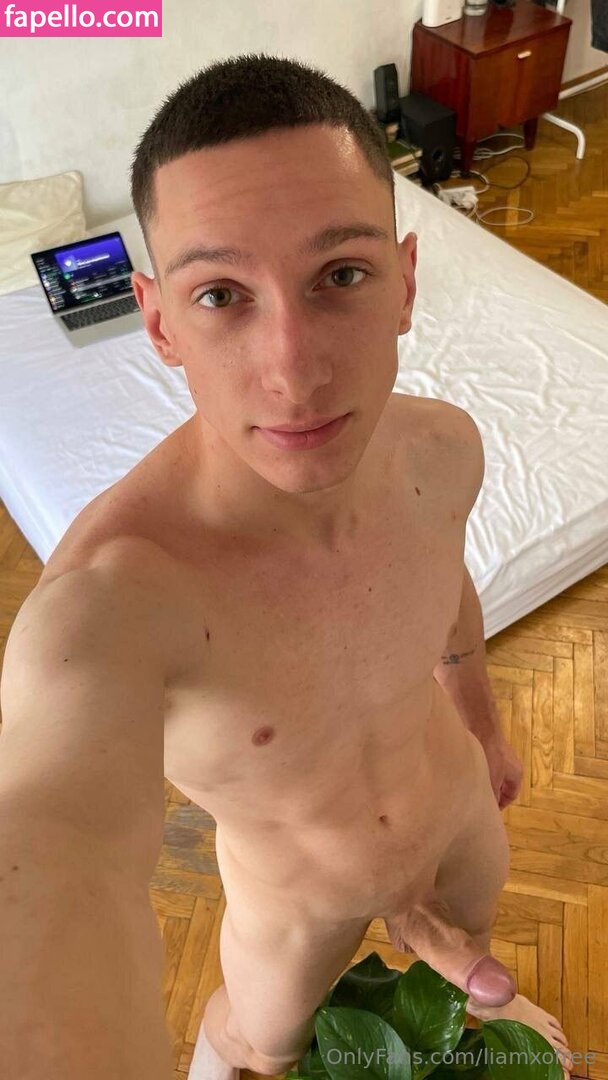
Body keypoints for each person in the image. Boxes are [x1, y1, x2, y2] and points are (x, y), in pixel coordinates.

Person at [0, 53, 573, 1080]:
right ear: (161, 322)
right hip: (295, 899)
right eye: (222, 294)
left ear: (405, 282)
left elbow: (445, 588)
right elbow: (55, 850)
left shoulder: (444, 449)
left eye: (340, 275)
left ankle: (450, 974)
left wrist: (481, 720)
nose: (294, 371)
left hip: (453, 815)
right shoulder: (107, 604)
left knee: (469, 970)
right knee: (260, 1045)